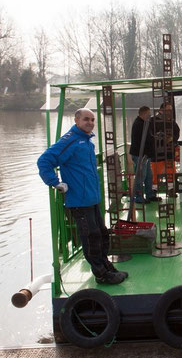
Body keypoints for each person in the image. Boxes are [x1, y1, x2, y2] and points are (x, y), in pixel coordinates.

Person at [37, 108, 127, 285]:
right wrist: (54, 182)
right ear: (77, 121)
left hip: (92, 199)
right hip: (79, 200)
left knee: (102, 234)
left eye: (93, 120)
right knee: (91, 237)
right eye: (86, 119)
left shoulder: (86, 142)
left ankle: (106, 266)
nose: (90, 123)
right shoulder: (70, 140)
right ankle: (101, 275)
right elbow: (44, 161)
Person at [129, 106, 160, 203]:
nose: (150, 116)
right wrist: (155, 139)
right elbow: (144, 139)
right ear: (143, 114)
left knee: (148, 175)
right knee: (141, 176)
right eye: (148, 114)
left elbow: (148, 137)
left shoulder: (144, 123)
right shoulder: (139, 124)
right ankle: (138, 196)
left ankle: (149, 194)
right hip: (139, 154)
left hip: (145, 154)